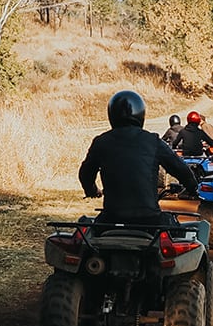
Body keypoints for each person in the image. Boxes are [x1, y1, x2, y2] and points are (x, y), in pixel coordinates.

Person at [80, 90, 200, 225]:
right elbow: (179, 168)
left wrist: (92, 191)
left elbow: (85, 173)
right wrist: (192, 187)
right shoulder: (153, 141)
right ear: (140, 114)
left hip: (111, 218)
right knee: (183, 236)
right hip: (150, 220)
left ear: (112, 114)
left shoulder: (101, 142)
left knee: (88, 234)